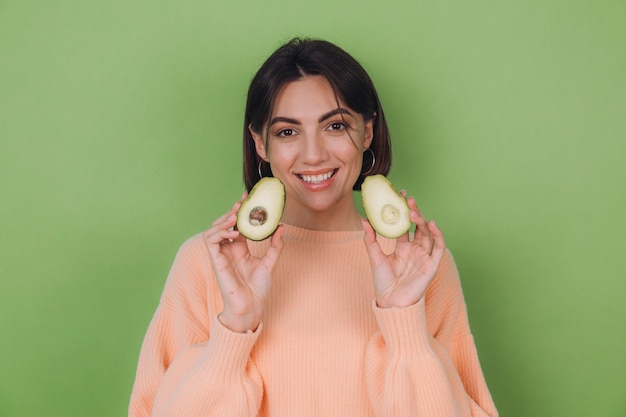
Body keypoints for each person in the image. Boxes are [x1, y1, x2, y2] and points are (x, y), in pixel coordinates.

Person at [128, 37, 498, 417]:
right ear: (260, 143)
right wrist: (234, 327)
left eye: (335, 126)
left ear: (367, 133)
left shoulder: (418, 264)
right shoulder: (208, 263)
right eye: (288, 132)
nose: (314, 154)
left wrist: (403, 320)